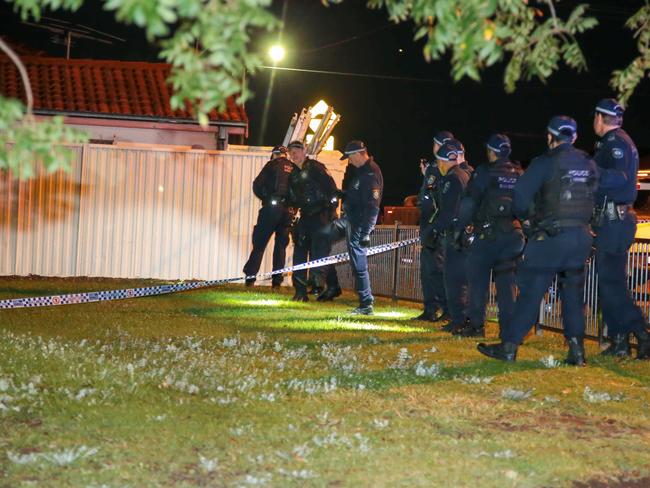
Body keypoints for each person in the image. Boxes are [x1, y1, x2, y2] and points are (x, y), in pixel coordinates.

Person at [478, 116, 599, 365]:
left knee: (531, 293)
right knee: (574, 296)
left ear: (550, 137)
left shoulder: (545, 162)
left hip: (552, 238)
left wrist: (531, 222)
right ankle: (577, 352)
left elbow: (520, 198)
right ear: (574, 137)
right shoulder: (588, 162)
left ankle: (509, 347)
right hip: (581, 237)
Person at [591, 98, 650, 359]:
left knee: (612, 285)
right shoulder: (617, 142)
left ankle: (642, 334)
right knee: (609, 285)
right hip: (612, 221)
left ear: (599, 118)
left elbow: (619, 180)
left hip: (615, 221)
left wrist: (589, 172)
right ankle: (620, 341)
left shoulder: (616, 144)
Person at [453, 134, 524, 337]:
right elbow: (528, 204)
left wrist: (460, 228)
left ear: (491, 151)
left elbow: (468, 203)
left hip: (488, 235)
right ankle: (508, 330)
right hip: (512, 235)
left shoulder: (484, 172)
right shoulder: (518, 173)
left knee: (478, 282)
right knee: (507, 285)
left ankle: (476, 326)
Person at [424, 139, 472, 332]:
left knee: (453, 280)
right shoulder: (464, 175)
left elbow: (448, 212)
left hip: (456, 236)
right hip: (464, 235)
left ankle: (458, 319)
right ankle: (462, 318)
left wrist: (433, 230)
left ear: (443, 161)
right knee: (461, 280)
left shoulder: (452, 179)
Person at [287, 140, 341, 301]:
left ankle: (325, 286)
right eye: (291, 151)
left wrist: (330, 215)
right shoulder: (294, 174)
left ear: (305, 151)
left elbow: (332, 190)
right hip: (306, 216)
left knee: (319, 252)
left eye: (297, 150)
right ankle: (300, 291)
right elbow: (293, 198)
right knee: (300, 251)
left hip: (322, 214)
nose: (294, 153)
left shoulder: (316, 168)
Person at [336, 140, 384, 315]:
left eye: (349, 157)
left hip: (359, 226)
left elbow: (373, 206)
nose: (349, 161)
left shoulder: (370, 174)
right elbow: (359, 197)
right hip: (353, 223)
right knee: (356, 264)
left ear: (358, 154)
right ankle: (364, 302)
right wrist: (344, 195)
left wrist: (365, 232)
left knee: (359, 265)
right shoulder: (362, 172)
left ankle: (366, 304)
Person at [412, 130, 454, 322]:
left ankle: (445, 308)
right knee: (427, 271)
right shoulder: (433, 169)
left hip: (436, 228)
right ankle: (430, 308)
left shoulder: (445, 171)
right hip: (428, 226)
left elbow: (439, 200)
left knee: (437, 271)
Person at [243, 145, 297, 288]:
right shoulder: (294, 168)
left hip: (271, 210)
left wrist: (267, 198)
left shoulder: (272, 165)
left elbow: (257, 185)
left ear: (275, 154)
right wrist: (293, 209)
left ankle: (250, 278)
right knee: (280, 247)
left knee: (259, 244)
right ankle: (277, 282)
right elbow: (299, 192)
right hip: (287, 212)